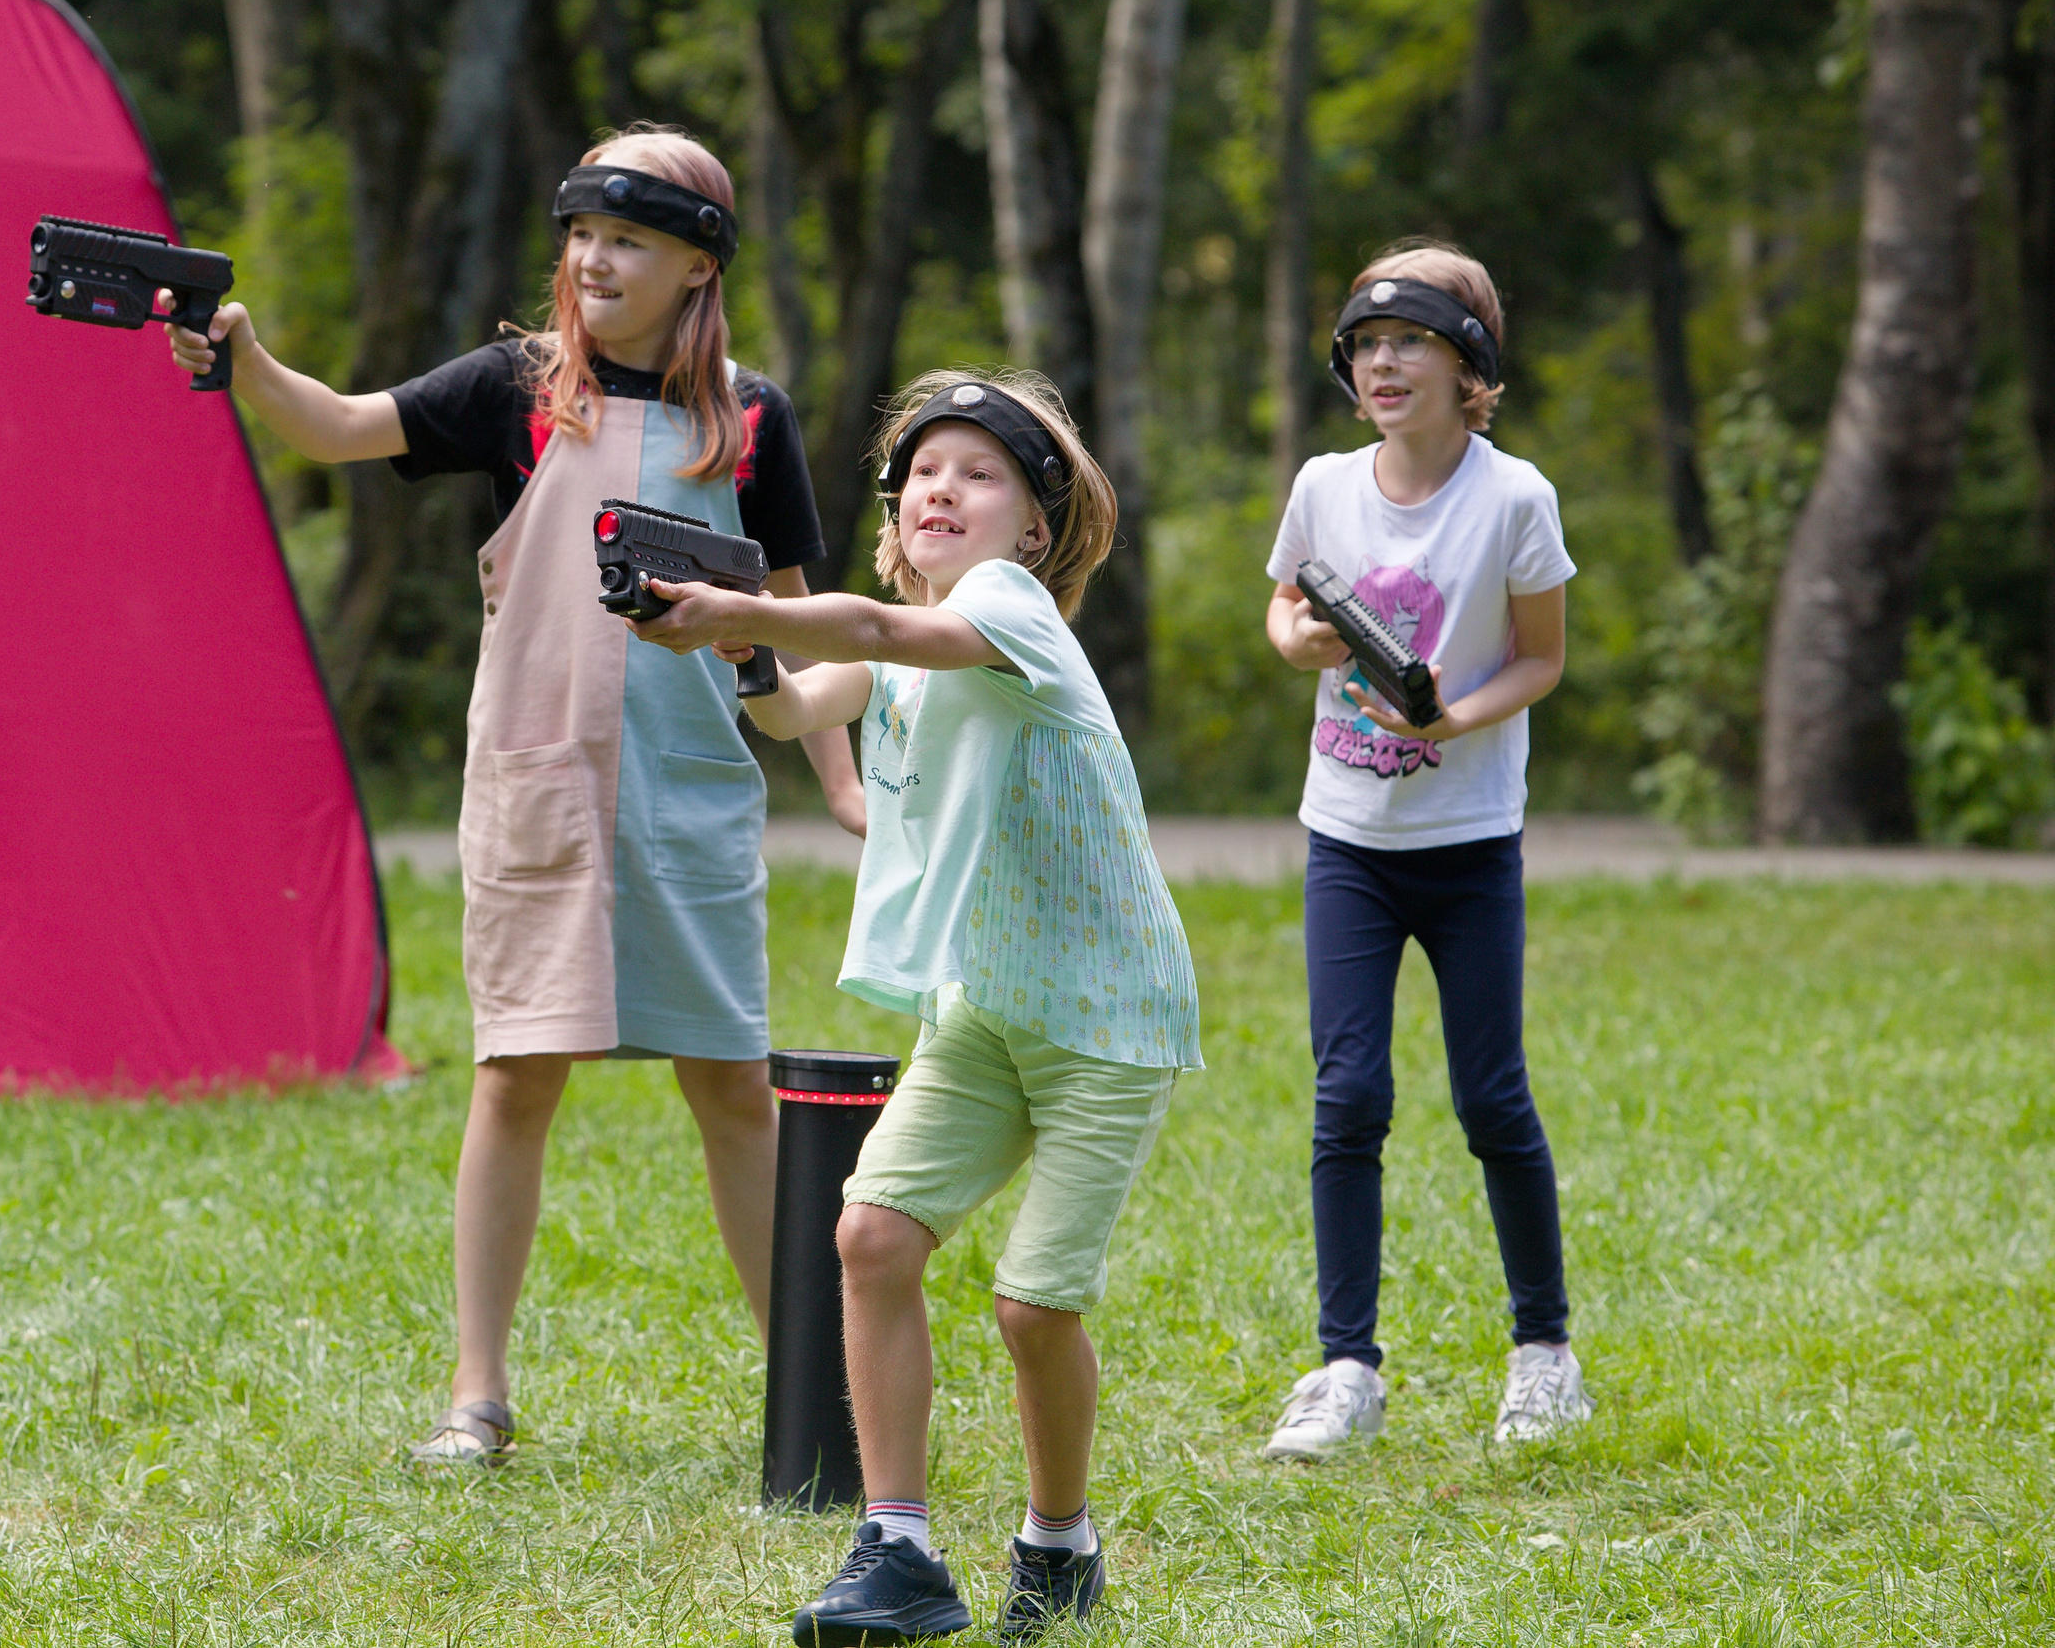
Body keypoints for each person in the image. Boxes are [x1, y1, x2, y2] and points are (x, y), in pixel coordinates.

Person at [170, 127, 864, 1467]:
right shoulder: (516, 386)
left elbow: (799, 630)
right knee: (515, 1079)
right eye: (585, 236)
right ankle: (475, 1394)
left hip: (692, 797)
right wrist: (245, 359)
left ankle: (809, 1393)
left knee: (731, 1086)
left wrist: (838, 779)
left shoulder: (756, 419)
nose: (597, 261)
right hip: (538, 787)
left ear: (696, 268)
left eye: (633, 242)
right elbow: (338, 429)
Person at [632, 368, 1201, 1643]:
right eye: (922, 473)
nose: (943, 489)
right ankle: (895, 1548)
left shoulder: (1010, 612)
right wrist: (734, 639)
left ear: (1036, 527)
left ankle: (1059, 1544)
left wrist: (753, 605)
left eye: (979, 474)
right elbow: (797, 705)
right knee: (872, 1240)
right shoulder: (895, 629)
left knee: (1032, 1306)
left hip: (1106, 1019)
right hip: (984, 1008)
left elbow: (884, 640)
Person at [1257, 239, 1591, 1460]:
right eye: (1365, 346)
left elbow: (1542, 657)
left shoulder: (1514, 498)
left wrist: (1452, 714)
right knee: (1346, 1100)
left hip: (1465, 846)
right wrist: (1300, 643)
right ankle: (1345, 1369)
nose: (1383, 364)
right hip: (1346, 839)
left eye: (1413, 341)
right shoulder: (1322, 486)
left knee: (1489, 1097)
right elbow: (1288, 607)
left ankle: (1543, 1354)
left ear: (1474, 368)